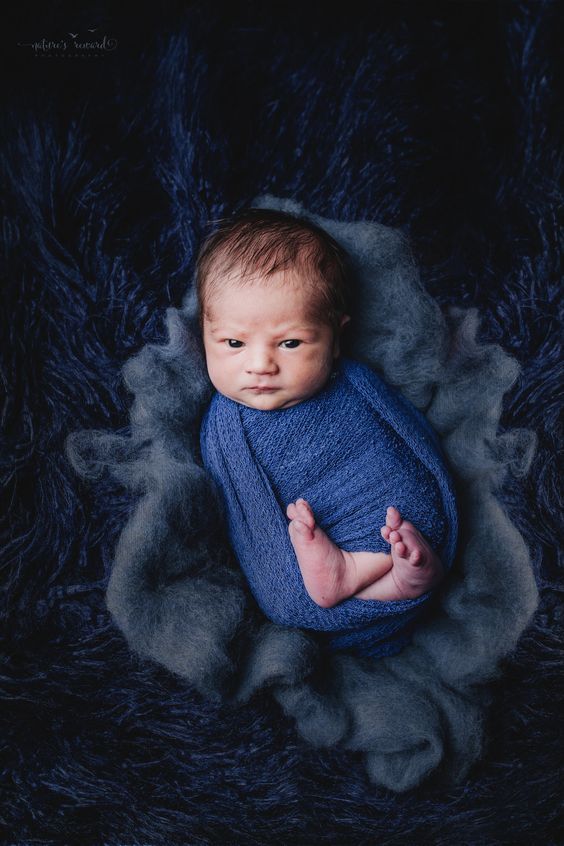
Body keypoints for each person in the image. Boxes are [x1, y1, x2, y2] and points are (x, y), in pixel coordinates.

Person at [197, 208, 451, 618]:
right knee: (295, 585)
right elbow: (249, 522)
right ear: (204, 335)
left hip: (398, 516)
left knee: (413, 517)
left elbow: (409, 434)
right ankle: (380, 579)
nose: (260, 364)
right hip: (316, 546)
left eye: (291, 343)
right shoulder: (224, 428)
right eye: (233, 343)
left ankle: (395, 571)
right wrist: (282, 579)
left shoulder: (353, 380)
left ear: (335, 338)